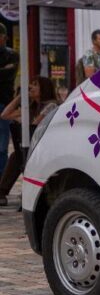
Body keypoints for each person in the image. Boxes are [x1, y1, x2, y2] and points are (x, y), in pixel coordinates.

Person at [0, 76, 57, 207]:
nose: (31, 88)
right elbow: (4, 115)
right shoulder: (31, 108)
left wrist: (25, 113)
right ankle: (2, 191)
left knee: (17, 156)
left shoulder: (51, 105)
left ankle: (3, 191)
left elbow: (34, 125)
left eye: (35, 85)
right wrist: (21, 97)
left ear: (44, 88)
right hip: (34, 148)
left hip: (47, 149)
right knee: (16, 156)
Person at [0, 27, 15, 179]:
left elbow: (8, 75)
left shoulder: (11, 54)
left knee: (2, 145)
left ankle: (1, 177)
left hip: (4, 101)